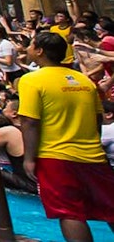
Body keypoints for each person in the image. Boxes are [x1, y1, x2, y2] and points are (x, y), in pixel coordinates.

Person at [20, 32, 114, 242]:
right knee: (111, 206)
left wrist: (29, 158)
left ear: (39, 51)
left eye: (30, 45)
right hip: (94, 156)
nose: (27, 49)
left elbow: (29, 122)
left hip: (55, 157)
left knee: (69, 212)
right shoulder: (85, 81)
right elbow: (98, 120)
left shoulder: (31, 80)